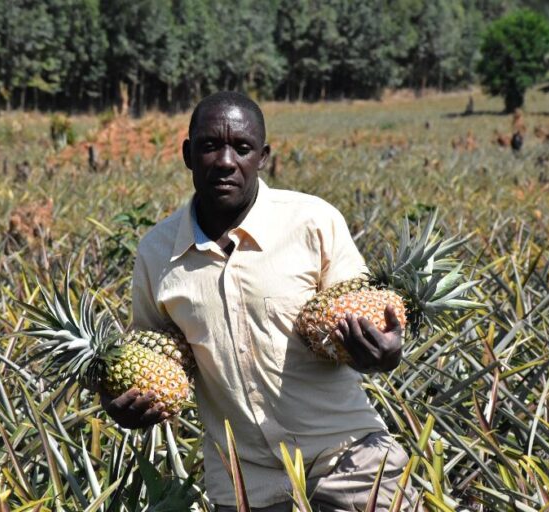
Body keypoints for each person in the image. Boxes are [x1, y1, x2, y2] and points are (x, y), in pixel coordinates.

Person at [104, 92, 418, 511]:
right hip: (245, 484)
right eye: (210, 146)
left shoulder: (313, 222)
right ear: (187, 154)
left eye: (242, 147)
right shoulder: (157, 252)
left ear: (263, 156)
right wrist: (123, 398)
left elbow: (366, 316)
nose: (225, 161)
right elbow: (150, 353)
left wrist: (384, 353)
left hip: (351, 461)